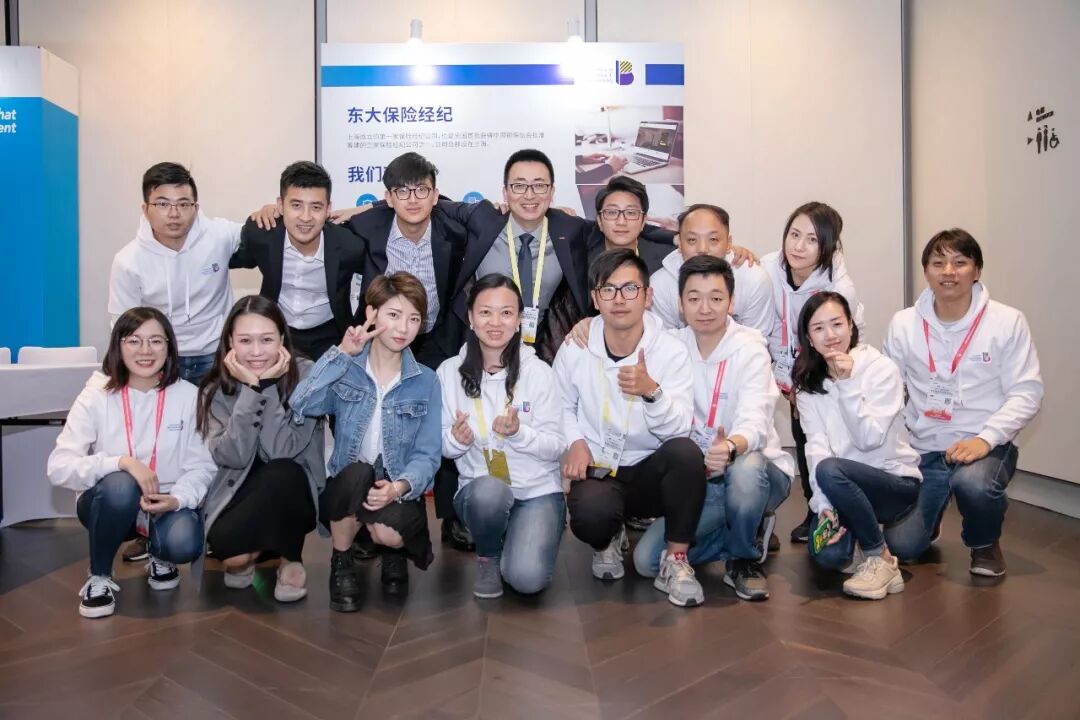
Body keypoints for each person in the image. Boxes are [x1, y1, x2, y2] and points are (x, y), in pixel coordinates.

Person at [632, 256, 794, 601]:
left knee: (745, 469)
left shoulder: (750, 348)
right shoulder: (670, 346)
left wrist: (730, 447)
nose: (705, 308)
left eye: (716, 298)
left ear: (731, 302)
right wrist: (585, 327)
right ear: (680, 304)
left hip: (756, 471)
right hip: (701, 481)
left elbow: (755, 420)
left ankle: (742, 560)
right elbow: (624, 327)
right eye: (694, 298)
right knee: (647, 562)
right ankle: (747, 528)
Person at [882, 230, 1043, 577]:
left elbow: (1027, 392)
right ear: (926, 271)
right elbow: (888, 392)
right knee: (902, 546)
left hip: (985, 445)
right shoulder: (903, 324)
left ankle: (984, 544)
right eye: (938, 263)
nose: (948, 272)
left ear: (977, 270)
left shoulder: (1006, 322)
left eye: (960, 262)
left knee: (974, 484)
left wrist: (985, 439)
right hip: (925, 447)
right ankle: (932, 513)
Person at [555, 249, 706, 607]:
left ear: (648, 296)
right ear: (595, 299)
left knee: (686, 454)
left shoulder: (670, 350)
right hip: (601, 467)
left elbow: (679, 429)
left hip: (649, 469)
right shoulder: (576, 346)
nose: (619, 299)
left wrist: (652, 392)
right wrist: (575, 441)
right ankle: (606, 539)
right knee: (590, 516)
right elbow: (560, 405)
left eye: (630, 289)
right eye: (608, 290)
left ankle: (676, 560)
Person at [47, 307, 215, 618]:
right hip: (109, 503)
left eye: (156, 341)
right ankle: (99, 576)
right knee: (121, 485)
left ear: (169, 347)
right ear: (118, 345)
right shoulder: (96, 395)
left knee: (183, 542)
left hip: (163, 503)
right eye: (134, 341)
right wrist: (121, 462)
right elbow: (59, 467)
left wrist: (177, 499)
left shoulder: (190, 396)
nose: (145, 351)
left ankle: (160, 553)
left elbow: (202, 466)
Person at [289, 272, 441, 608]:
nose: (403, 328)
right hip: (349, 480)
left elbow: (429, 454)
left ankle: (390, 550)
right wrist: (342, 353)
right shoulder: (347, 368)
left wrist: (398, 487)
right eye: (394, 315)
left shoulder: (427, 381)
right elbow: (300, 403)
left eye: (413, 318)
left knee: (390, 534)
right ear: (371, 313)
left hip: (396, 484)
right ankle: (341, 559)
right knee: (356, 474)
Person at [438, 274, 566, 598]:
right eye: (485, 312)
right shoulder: (448, 373)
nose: (495, 323)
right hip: (481, 491)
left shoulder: (540, 373)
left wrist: (520, 434)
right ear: (470, 317)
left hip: (536, 491)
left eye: (506, 313)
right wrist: (456, 439)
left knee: (527, 580)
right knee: (489, 493)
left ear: (519, 319)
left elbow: (557, 446)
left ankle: (522, 533)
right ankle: (488, 555)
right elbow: (439, 446)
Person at [794, 292, 923, 599]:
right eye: (818, 328)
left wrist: (848, 383)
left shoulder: (880, 369)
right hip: (842, 488)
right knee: (827, 556)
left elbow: (869, 440)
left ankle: (880, 558)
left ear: (851, 325)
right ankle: (863, 546)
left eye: (837, 324)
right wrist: (824, 505)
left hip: (893, 483)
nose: (830, 335)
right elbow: (816, 449)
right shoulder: (808, 386)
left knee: (830, 469)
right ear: (809, 338)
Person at [196, 296, 325, 602]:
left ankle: (290, 558)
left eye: (266, 339)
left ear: (282, 339)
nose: (256, 351)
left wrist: (267, 387)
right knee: (233, 557)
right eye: (245, 340)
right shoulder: (214, 387)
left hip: (292, 488)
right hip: (239, 490)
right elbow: (234, 456)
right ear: (230, 342)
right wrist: (253, 389)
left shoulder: (307, 376)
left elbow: (282, 451)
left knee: (282, 472)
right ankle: (256, 553)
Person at [761, 202, 865, 544]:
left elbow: (842, 340)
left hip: (825, 363)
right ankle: (813, 505)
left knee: (815, 434)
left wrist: (804, 387)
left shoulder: (839, 288)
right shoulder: (768, 268)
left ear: (827, 247)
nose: (798, 246)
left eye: (811, 240)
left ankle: (832, 509)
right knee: (797, 430)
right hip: (784, 362)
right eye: (794, 234)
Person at [108, 162, 242, 384]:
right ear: (145, 209)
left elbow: (263, 233)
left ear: (195, 208)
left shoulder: (220, 235)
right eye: (162, 204)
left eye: (183, 204)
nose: (174, 213)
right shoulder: (128, 261)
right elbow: (123, 326)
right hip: (161, 359)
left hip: (217, 354)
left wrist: (269, 212)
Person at [230, 161, 367, 360]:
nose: (305, 217)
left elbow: (376, 277)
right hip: (277, 332)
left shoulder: (349, 246)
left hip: (330, 335)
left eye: (316, 207)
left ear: (328, 209)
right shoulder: (262, 233)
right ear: (280, 205)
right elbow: (229, 257)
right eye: (296, 205)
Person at [649, 204, 775, 338]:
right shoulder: (660, 285)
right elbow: (663, 344)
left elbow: (756, 340)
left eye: (713, 239)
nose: (702, 249)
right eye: (692, 240)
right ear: (679, 242)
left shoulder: (753, 279)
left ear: (728, 243)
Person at [585, 176, 675, 274]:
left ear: (643, 222)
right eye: (612, 212)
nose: (621, 222)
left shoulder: (668, 259)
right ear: (599, 221)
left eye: (631, 213)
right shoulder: (581, 263)